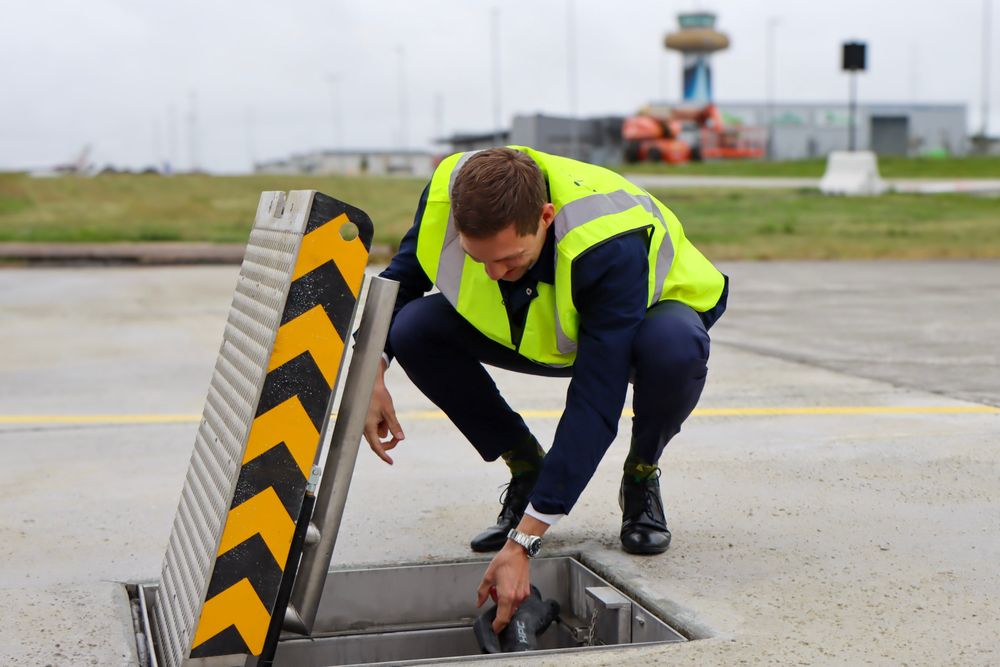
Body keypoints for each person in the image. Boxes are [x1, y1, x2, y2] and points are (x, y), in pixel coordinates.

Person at [363, 146, 728, 634]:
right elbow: (401, 281)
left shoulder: (606, 241)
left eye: (509, 259)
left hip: (640, 323)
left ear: (546, 217)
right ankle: (526, 468)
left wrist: (525, 541)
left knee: (675, 348)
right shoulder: (450, 195)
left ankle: (641, 476)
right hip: (540, 322)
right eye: (478, 258)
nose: (493, 273)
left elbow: (596, 401)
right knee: (413, 328)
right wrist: (370, 372)